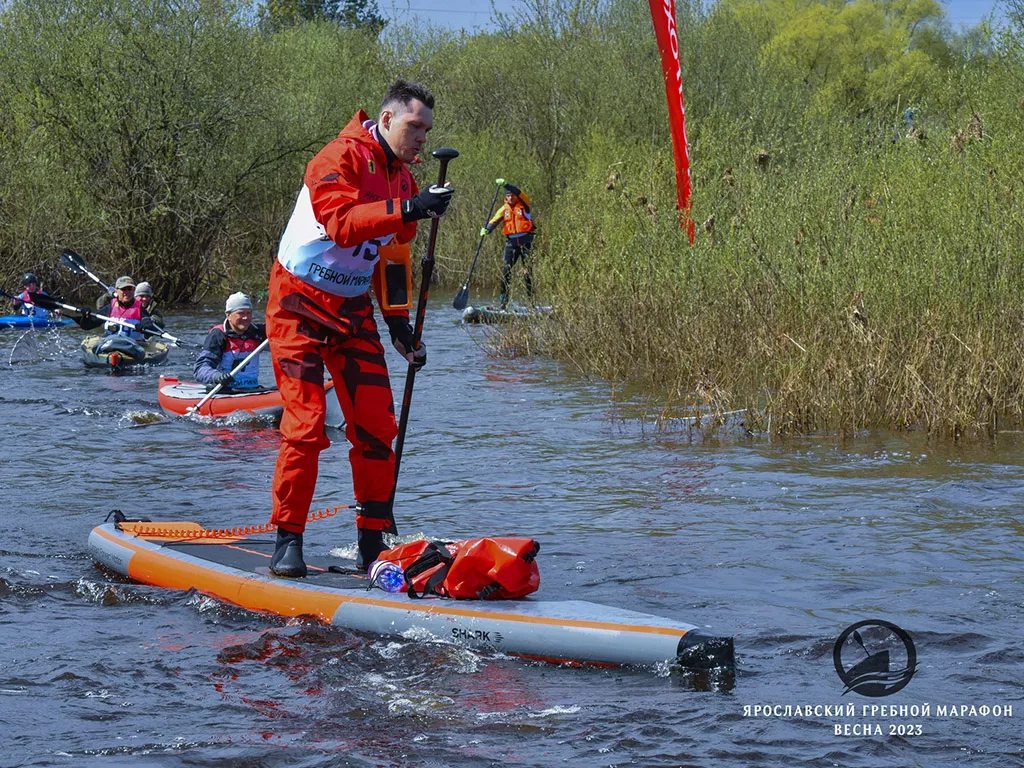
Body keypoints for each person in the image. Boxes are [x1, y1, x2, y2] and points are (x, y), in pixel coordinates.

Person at [266, 78, 453, 578]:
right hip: (297, 306)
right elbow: (343, 223)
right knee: (305, 428)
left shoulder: (405, 180)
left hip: (352, 311)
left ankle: (373, 543)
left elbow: (392, 252)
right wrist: (412, 208)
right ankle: (288, 539)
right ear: (387, 119)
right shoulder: (337, 158)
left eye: (427, 130)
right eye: (415, 126)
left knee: (376, 427)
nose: (421, 138)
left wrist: (397, 322)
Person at [194, 292, 266, 392]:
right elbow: (200, 369)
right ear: (228, 315)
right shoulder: (218, 335)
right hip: (226, 391)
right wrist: (216, 376)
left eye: (248, 313)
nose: (246, 318)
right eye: (241, 313)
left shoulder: (258, 332)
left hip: (252, 390)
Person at [481, 182, 535, 308]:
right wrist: (487, 229)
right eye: (508, 196)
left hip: (525, 242)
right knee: (505, 272)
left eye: (512, 195)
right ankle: (503, 303)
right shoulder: (504, 209)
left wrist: (507, 185)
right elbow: (494, 220)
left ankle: (531, 303)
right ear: (505, 198)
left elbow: (519, 192)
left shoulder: (524, 205)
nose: (510, 198)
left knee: (527, 273)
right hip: (511, 243)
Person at [81, 276, 156, 340]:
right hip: (110, 345)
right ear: (117, 291)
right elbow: (87, 326)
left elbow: (148, 325)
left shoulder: (140, 309)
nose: (127, 292)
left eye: (129, 289)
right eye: (123, 289)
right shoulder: (109, 308)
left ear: (133, 291)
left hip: (134, 346)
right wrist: (85, 316)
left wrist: (145, 325)